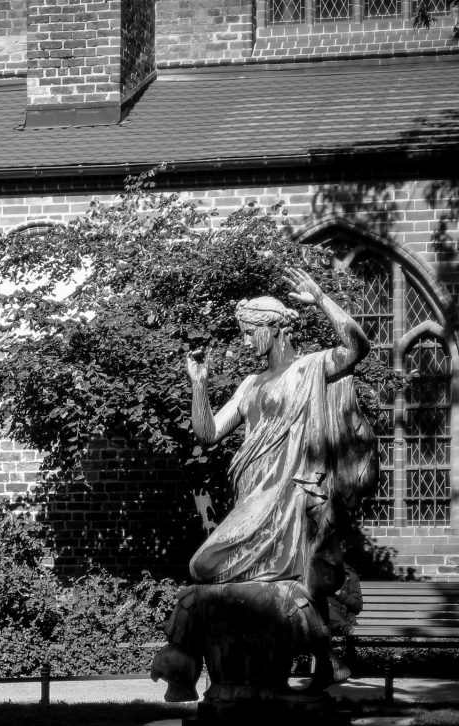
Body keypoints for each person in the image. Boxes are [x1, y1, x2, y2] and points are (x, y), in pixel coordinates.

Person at [153, 267, 376, 700]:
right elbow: (208, 433)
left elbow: (356, 346)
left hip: (289, 493)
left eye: (248, 331)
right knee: (204, 569)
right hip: (253, 491)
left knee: (204, 566)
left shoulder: (312, 367)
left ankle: (319, 661)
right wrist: (198, 386)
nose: (243, 341)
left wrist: (321, 299)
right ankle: (325, 663)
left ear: (273, 329)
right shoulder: (251, 384)